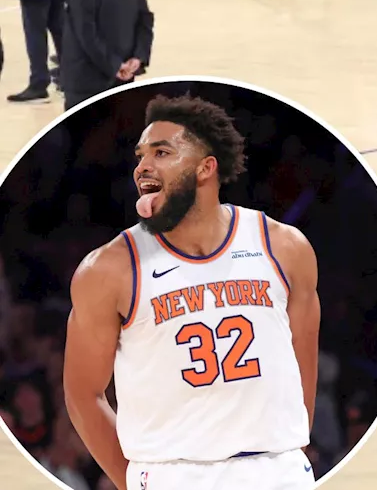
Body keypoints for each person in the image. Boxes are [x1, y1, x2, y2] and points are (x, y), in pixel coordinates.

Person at [63, 94, 319, 490]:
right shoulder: (109, 269)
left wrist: (291, 453)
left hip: (277, 470)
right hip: (172, 473)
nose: (143, 167)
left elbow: (303, 360)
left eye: (161, 152)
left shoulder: (284, 247)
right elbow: (83, 395)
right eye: (140, 156)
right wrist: (133, 480)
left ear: (206, 168)